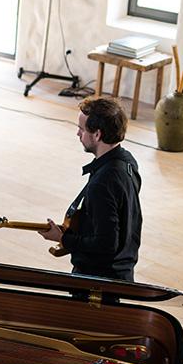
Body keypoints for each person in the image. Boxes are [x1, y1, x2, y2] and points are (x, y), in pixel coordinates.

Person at [39, 96, 142, 281]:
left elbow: (106, 244)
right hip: (122, 273)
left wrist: (63, 239)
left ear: (97, 134)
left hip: (99, 281)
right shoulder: (127, 161)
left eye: (81, 129)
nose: (78, 134)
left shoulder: (102, 184)